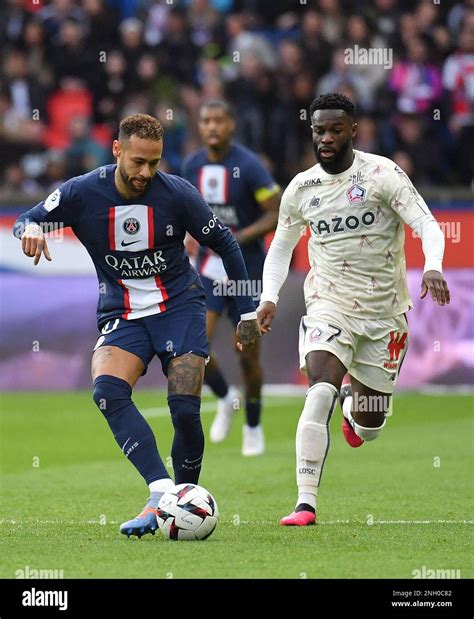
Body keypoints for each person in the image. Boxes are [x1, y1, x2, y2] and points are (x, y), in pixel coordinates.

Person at [14, 113, 261, 538]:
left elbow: (226, 244)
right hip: (122, 313)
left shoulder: (177, 194)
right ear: (117, 150)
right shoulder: (83, 192)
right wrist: (32, 230)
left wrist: (246, 313)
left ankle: (183, 503)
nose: (147, 172)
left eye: (155, 162)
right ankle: (161, 493)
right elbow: (28, 219)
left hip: (180, 306)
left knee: (184, 408)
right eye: (138, 162)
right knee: (107, 392)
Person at [257, 93, 450, 526]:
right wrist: (269, 296)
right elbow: (281, 247)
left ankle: (354, 408)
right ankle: (305, 503)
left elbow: (426, 224)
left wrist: (433, 267)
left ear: (353, 131)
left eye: (334, 129)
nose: (325, 138)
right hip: (329, 304)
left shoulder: (383, 174)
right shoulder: (301, 188)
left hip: (385, 315)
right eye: (318, 130)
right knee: (319, 387)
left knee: (370, 426)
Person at [182, 100, 280, 456]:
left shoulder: (249, 166)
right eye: (205, 120)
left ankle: (253, 424)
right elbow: (182, 207)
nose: (211, 127)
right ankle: (226, 397)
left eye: (218, 120)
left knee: (248, 358)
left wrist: (234, 241)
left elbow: (275, 212)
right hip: (208, 270)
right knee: (195, 350)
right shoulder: (192, 165)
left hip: (247, 274)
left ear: (231, 125)